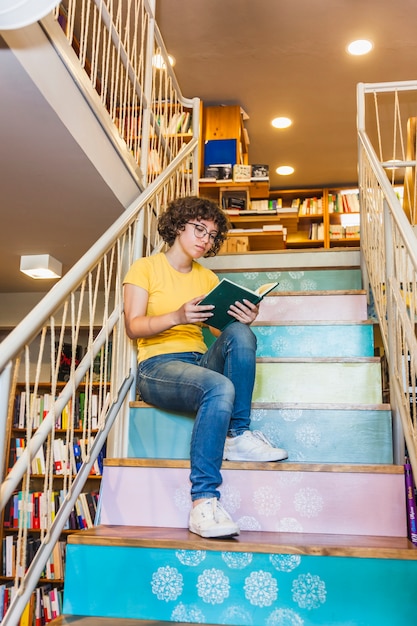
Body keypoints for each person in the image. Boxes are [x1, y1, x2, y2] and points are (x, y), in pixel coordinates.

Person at [123, 196, 287, 539]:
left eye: (212, 235)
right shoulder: (145, 268)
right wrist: (177, 316)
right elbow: (133, 326)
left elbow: (220, 333)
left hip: (197, 362)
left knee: (240, 332)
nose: (205, 239)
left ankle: (237, 435)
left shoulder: (207, 277)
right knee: (219, 387)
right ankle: (203, 503)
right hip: (158, 366)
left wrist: (244, 317)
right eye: (199, 229)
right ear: (178, 226)